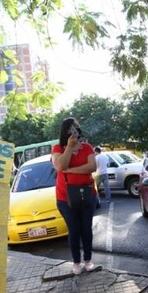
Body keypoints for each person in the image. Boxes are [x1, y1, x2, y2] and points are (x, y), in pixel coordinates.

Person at [51, 118, 97, 275]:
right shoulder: (58, 148)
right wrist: (69, 148)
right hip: (65, 198)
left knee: (86, 229)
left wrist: (70, 171)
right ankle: (76, 263)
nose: (74, 131)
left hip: (86, 194)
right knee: (74, 230)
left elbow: (92, 167)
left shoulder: (87, 147)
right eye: (71, 128)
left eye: (76, 128)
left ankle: (88, 260)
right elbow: (60, 166)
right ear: (65, 131)